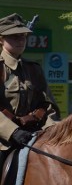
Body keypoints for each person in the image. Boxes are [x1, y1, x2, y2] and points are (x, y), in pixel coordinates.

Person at [0, 13, 60, 150]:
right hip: (3, 140)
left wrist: (55, 130)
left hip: (32, 135)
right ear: (1, 40)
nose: (20, 40)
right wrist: (12, 131)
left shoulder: (33, 69)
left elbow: (46, 105)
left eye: (23, 36)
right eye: (14, 36)